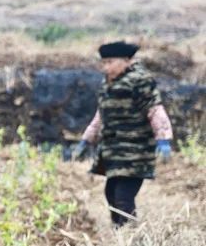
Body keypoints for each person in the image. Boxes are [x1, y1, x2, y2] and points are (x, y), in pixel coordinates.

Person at [73, 41, 173, 227]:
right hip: (113, 151)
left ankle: (129, 235)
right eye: (103, 63)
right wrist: (86, 140)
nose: (106, 67)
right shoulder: (107, 84)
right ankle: (120, 233)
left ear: (127, 61)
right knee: (111, 193)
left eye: (110, 62)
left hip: (135, 151)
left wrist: (163, 139)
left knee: (123, 196)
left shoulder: (140, 81)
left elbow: (155, 110)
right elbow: (101, 115)